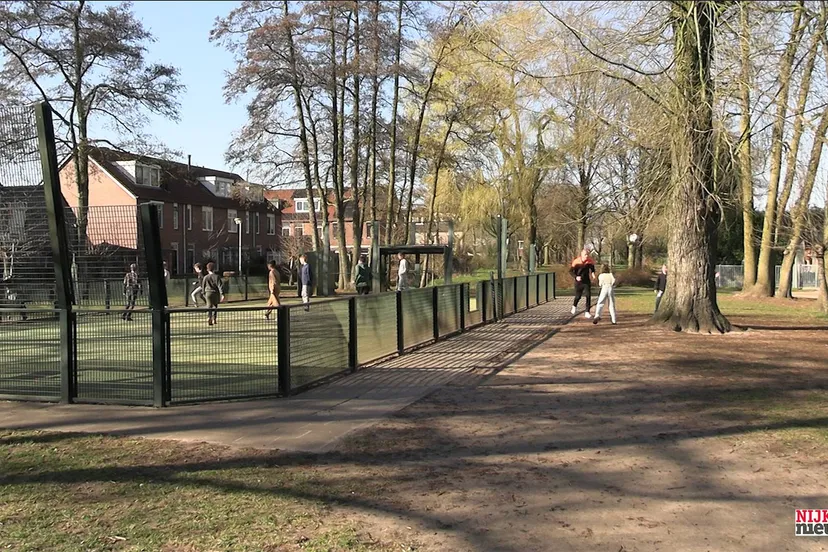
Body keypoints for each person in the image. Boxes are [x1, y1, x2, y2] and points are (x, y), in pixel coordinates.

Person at [570, 249, 596, 318]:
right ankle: (574, 306)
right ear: (581, 255)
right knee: (578, 296)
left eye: (587, 255)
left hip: (586, 281)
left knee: (588, 296)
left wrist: (593, 274)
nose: (586, 256)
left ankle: (587, 312)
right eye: (585, 255)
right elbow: (571, 271)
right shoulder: (576, 261)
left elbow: (592, 269)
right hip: (578, 282)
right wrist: (576, 277)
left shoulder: (590, 261)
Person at [202, 262, 224, 326]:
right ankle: (214, 319)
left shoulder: (206, 277)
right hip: (215, 293)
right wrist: (222, 294)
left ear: (207, 269)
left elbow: (203, 286)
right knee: (215, 306)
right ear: (214, 269)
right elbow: (220, 285)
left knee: (209, 306)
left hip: (208, 293)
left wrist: (203, 293)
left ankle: (209, 317)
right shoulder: (217, 277)